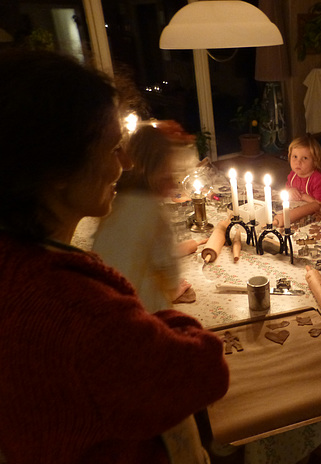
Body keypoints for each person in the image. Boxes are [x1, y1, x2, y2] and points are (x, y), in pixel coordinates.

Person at [0, 49, 229, 463]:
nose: (124, 164)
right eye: (111, 148)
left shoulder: (15, 261)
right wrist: (165, 319)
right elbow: (204, 371)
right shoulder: (84, 316)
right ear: (56, 169)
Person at [93, 124, 203, 313]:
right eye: (170, 173)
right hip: (142, 310)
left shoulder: (112, 203)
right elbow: (169, 270)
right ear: (156, 173)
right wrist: (174, 289)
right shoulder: (153, 214)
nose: (172, 182)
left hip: (106, 301)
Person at [272, 134, 321, 227]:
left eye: (305, 158)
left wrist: (302, 196)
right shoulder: (293, 175)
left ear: (315, 161)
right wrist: (290, 190)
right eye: (295, 156)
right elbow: (288, 186)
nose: (298, 162)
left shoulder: (320, 181)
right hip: (298, 214)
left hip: (319, 218)